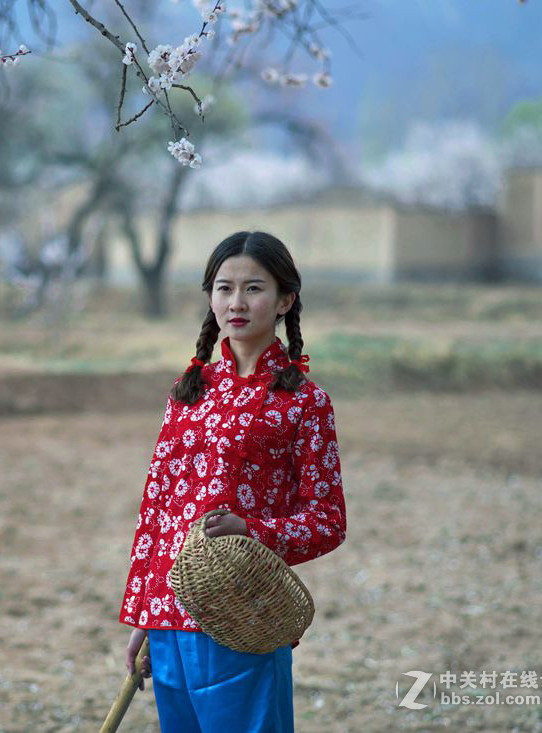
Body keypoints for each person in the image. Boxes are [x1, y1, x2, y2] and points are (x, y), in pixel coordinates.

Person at [119, 231, 347, 733]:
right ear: (210, 297)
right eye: (224, 288)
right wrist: (145, 612)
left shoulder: (305, 404)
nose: (236, 303)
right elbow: (158, 511)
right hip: (169, 622)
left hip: (243, 616)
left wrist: (253, 533)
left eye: (254, 289)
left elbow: (328, 521)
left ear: (285, 299)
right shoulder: (187, 392)